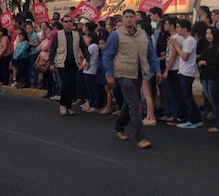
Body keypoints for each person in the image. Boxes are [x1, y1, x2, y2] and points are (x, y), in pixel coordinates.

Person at [103, 9, 161, 149]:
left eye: (131, 17)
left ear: (136, 19)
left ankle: (119, 126)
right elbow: (108, 55)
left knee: (129, 103)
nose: (129, 19)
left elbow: (151, 53)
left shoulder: (143, 35)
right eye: (126, 17)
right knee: (135, 103)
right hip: (123, 73)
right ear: (122, 20)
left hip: (139, 73)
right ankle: (141, 136)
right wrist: (109, 74)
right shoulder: (116, 36)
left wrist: (157, 69)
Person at [49, 14, 90, 116]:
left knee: (72, 85)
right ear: (62, 23)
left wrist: (88, 60)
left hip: (74, 62)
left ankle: (68, 106)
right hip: (62, 63)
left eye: (70, 21)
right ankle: (63, 105)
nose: (68, 23)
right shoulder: (58, 35)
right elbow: (53, 49)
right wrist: (51, 63)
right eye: (66, 21)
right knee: (65, 84)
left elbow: (84, 48)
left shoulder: (77, 35)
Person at [169, 18, 203, 129]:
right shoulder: (186, 40)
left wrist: (176, 46)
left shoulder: (189, 40)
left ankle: (194, 119)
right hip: (184, 71)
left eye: (178, 27)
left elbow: (184, 56)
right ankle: (194, 118)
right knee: (186, 96)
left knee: (187, 96)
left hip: (187, 72)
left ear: (184, 28)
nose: (177, 29)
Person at [198, 27, 219, 132]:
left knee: (215, 100)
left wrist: (205, 62)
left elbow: (215, 61)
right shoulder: (207, 46)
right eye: (207, 33)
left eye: (211, 33)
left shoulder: (216, 46)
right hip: (205, 75)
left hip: (214, 76)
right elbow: (201, 57)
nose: (209, 35)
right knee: (211, 100)